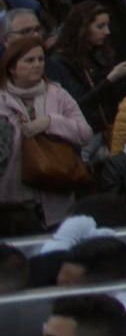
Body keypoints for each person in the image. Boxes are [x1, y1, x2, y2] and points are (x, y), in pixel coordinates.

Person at [0, 32, 93, 223]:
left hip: (56, 195)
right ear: (11, 68)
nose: (37, 65)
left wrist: (51, 122)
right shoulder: (1, 100)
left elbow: (85, 134)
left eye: (41, 59)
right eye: (29, 60)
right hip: (12, 202)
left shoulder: (58, 94)